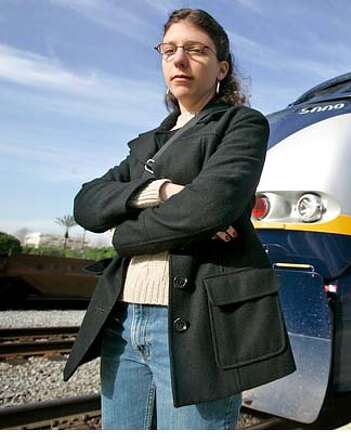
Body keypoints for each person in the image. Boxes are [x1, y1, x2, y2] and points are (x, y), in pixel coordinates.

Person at [63, 8, 295, 430]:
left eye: (195, 49)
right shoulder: (145, 146)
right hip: (124, 319)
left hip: (199, 324)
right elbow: (86, 205)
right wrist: (165, 191)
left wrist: (122, 233)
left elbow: (212, 207)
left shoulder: (242, 125)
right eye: (169, 49)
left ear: (221, 67)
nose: (179, 59)